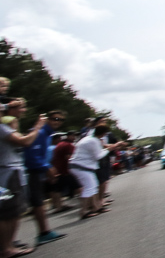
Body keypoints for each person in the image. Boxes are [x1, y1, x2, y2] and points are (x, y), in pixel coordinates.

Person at [0, 100, 47, 257]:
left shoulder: (5, 128)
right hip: (8, 173)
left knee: (15, 211)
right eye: (19, 108)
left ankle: (8, 245)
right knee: (9, 212)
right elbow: (26, 141)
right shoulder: (1, 128)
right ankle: (6, 248)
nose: (23, 111)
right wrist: (38, 126)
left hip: (13, 172)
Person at [23, 109, 67, 246]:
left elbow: (41, 156)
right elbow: (31, 155)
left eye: (60, 120)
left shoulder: (48, 134)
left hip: (37, 170)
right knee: (37, 203)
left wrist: (48, 168)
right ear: (48, 118)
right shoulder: (41, 132)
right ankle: (43, 233)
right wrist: (46, 168)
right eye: (54, 118)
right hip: (32, 171)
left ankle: (44, 232)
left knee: (39, 202)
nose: (57, 122)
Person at [69, 125, 123, 220]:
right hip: (81, 167)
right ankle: (83, 211)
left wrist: (108, 148)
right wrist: (108, 150)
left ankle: (96, 207)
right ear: (103, 133)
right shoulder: (93, 141)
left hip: (80, 166)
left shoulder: (89, 139)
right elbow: (98, 156)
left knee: (93, 187)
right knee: (89, 188)